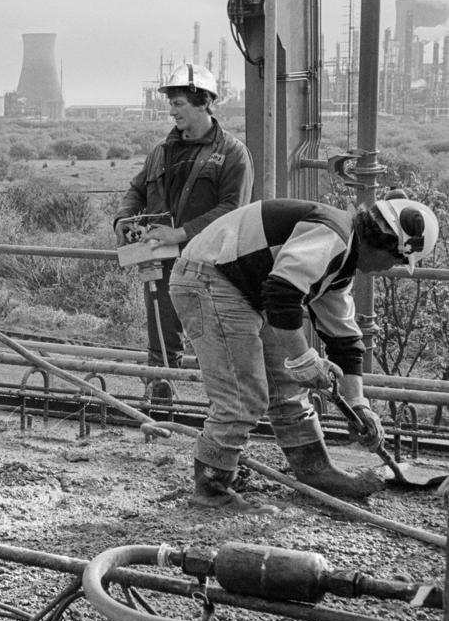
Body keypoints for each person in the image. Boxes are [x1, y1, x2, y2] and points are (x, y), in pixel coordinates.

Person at [168, 194, 439, 508]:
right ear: (391, 245)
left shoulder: (341, 260)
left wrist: (358, 403)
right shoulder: (333, 234)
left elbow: (344, 340)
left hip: (241, 286)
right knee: (244, 396)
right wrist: (304, 358)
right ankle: (212, 490)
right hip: (209, 277)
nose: (391, 267)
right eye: (399, 260)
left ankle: (315, 469)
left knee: (287, 386)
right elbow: (282, 293)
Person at [114, 63, 253, 369]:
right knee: (162, 347)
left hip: (210, 269)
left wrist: (180, 233)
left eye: (178, 104)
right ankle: (162, 406)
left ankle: (225, 414)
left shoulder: (232, 153)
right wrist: (123, 220)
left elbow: (233, 210)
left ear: (203, 102)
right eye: (171, 105)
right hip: (161, 263)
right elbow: (136, 190)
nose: (172, 112)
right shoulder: (161, 151)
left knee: (218, 347)